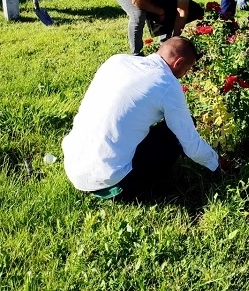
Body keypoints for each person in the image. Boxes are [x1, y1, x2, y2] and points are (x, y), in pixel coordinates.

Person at [62, 37, 228, 200]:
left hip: (74, 168)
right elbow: (191, 144)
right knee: (175, 133)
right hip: (113, 182)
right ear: (178, 63)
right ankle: (144, 188)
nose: (183, 76)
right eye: (185, 70)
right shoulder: (166, 83)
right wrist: (219, 163)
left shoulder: (117, 61)